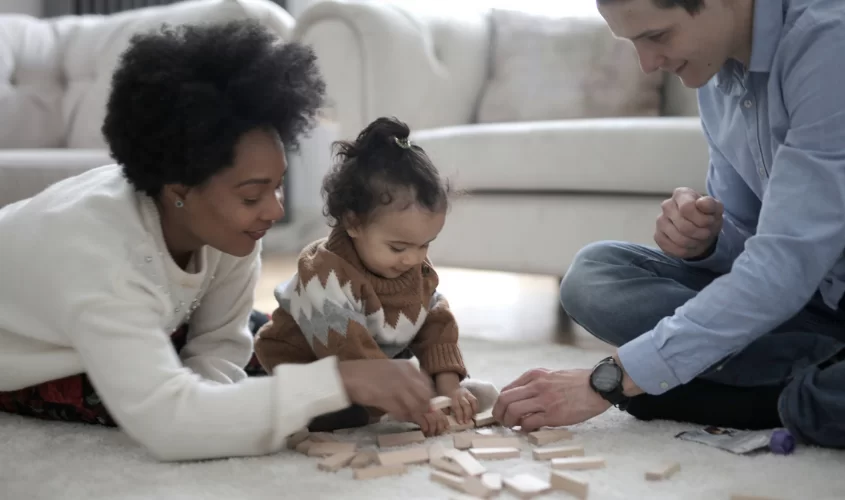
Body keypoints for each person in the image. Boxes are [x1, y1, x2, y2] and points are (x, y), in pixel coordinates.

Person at [0, 20, 435, 462]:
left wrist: (226, 401)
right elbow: (170, 426)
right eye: (252, 195)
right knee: (129, 398)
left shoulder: (227, 228)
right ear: (179, 191)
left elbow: (221, 346)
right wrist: (341, 381)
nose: (274, 210)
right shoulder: (102, 258)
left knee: (274, 338)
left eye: (278, 186)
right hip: (31, 355)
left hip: (140, 314)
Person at [493, 0, 845, 449]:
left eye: (657, 36)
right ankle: (802, 384)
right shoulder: (714, 72)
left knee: (821, 394)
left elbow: (783, 267)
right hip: (813, 308)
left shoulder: (827, 41)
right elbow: (753, 241)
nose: (647, 65)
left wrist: (612, 379)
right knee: (595, 273)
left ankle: (775, 396)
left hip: (799, 286)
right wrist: (707, 242)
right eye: (633, 42)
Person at [254, 116, 499, 436]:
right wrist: (415, 404)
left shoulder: (413, 269)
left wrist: (449, 386)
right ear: (353, 223)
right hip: (306, 364)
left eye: (425, 244)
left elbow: (436, 325)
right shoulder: (324, 274)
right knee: (335, 415)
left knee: (433, 333)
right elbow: (352, 358)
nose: (413, 258)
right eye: (398, 247)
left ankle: (433, 390)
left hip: (367, 366)